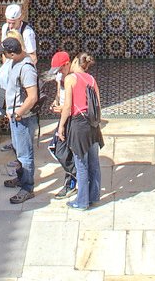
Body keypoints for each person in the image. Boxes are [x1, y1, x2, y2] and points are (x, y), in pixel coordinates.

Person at [57, 51, 103, 210]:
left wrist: (61, 126)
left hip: (79, 126)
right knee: (94, 162)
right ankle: (94, 195)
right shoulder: (91, 79)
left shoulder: (71, 78)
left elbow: (68, 106)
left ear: (75, 61)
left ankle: (81, 201)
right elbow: (98, 104)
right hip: (93, 126)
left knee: (81, 164)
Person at [0, 38, 40, 204]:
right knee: (18, 150)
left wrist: (18, 113)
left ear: (12, 53)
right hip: (15, 116)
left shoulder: (26, 68)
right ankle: (21, 177)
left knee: (25, 155)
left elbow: (32, 97)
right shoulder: (15, 61)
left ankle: (27, 188)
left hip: (23, 118)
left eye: (4, 53)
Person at [42, 51, 77, 198]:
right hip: (64, 116)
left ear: (67, 64)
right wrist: (55, 102)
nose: (59, 73)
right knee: (58, 149)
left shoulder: (74, 78)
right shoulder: (60, 76)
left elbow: (78, 103)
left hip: (73, 119)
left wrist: (64, 109)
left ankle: (74, 179)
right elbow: (59, 94)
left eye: (61, 69)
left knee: (64, 150)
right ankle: (74, 178)